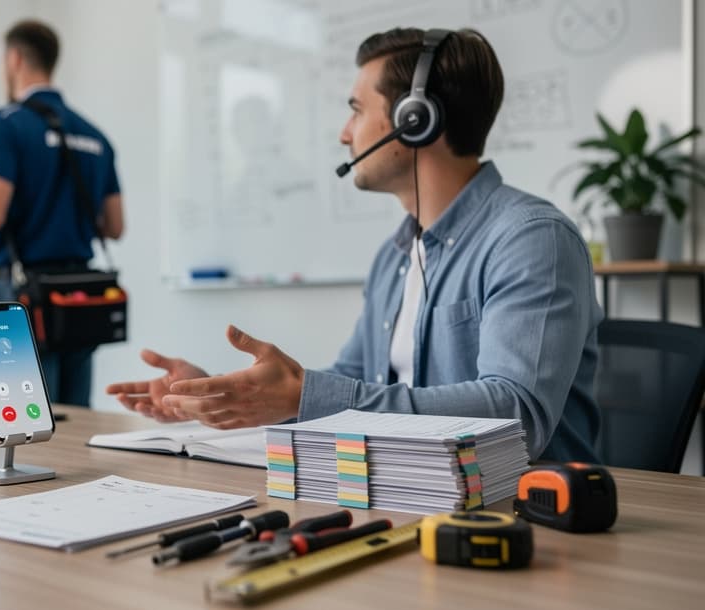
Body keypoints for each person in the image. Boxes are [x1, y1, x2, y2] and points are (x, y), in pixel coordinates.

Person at [106, 28, 602, 462]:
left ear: (416, 119)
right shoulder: (395, 256)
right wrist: (224, 393)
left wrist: (302, 397)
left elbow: (517, 414)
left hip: (530, 518)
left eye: (357, 110)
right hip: (414, 502)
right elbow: (348, 381)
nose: (345, 134)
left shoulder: (530, 239)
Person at [0, 19, 124, 407]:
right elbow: (114, 225)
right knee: (74, 420)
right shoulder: (95, 136)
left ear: (15, 58)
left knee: (20, 422)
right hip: (78, 296)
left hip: (19, 298)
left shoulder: (5, 125)